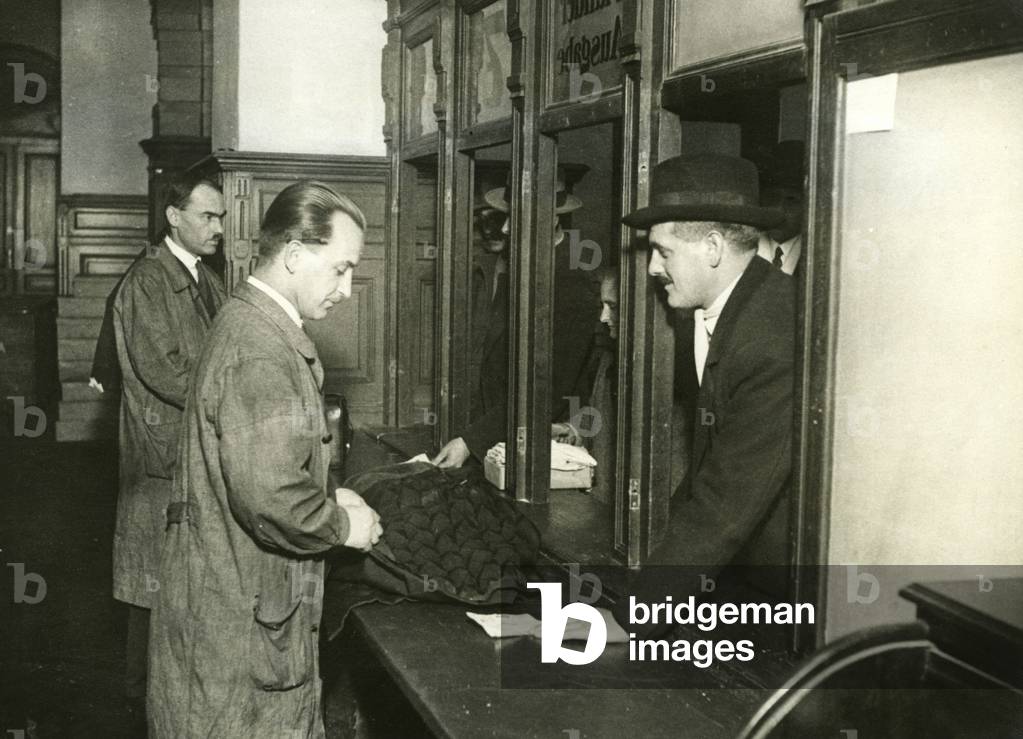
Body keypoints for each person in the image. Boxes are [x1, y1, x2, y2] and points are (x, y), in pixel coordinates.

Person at [147, 181, 383, 738]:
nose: (348, 289)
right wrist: (345, 524)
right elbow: (273, 499)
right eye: (341, 269)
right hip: (241, 630)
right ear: (296, 256)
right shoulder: (260, 350)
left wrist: (327, 496)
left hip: (227, 607)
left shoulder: (250, 322)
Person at [563, 153, 796, 640]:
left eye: (663, 251)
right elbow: (705, 469)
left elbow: (727, 499)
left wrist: (637, 613)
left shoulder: (772, 335)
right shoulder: (713, 309)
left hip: (782, 591)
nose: (651, 268)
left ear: (712, 247)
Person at [110, 173, 228, 716]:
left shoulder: (206, 277)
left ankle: (173, 693)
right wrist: (235, 400)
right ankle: (140, 703)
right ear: (173, 217)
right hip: (163, 454)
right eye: (207, 216)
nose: (218, 227)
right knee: (151, 584)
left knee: (179, 578)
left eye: (222, 217)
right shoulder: (147, 282)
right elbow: (168, 372)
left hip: (192, 447)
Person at [433, 170, 589, 468]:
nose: (504, 229)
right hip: (497, 435)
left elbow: (548, 389)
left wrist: (470, 442)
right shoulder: (521, 266)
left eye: (514, 219)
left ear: (552, 220)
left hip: (538, 448)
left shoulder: (572, 284)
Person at [757, 140, 804, 277]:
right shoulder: (744, 248)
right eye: (771, 197)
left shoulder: (817, 254)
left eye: (791, 201)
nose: (778, 209)